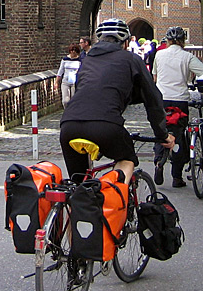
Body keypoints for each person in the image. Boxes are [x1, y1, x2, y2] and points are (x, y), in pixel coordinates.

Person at [60, 19, 175, 185]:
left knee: (79, 185)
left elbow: (83, 90)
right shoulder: (131, 59)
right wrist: (162, 134)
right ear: (125, 42)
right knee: (126, 159)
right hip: (106, 126)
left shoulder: (86, 61)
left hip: (68, 125)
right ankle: (115, 201)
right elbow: (153, 99)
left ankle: (78, 206)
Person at [152, 26, 203, 188]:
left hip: (161, 101)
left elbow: (155, 78)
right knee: (178, 134)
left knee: (161, 132)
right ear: (183, 41)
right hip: (179, 101)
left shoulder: (159, 55)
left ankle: (158, 162)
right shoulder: (187, 57)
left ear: (168, 41)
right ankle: (177, 177)